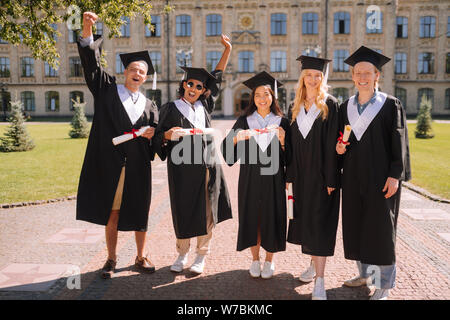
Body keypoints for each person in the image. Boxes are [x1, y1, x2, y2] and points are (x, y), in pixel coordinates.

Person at [76, 12, 159, 279]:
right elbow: (91, 66)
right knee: (112, 212)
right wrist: (88, 30)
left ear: (146, 78)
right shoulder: (107, 89)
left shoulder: (150, 105)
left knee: (140, 213)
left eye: (142, 72)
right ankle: (111, 258)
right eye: (133, 69)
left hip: (138, 166)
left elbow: (156, 139)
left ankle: (140, 256)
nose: (137, 74)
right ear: (125, 72)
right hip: (110, 163)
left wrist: (152, 135)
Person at [336, 46, 411, 300]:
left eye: (368, 72)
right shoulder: (345, 106)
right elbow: (341, 143)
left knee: (379, 231)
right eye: (358, 73)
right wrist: (338, 148)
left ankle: (382, 285)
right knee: (356, 227)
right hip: (353, 177)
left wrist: (395, 175)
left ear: (377, 75)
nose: (363, 77)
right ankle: (365, 274)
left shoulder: (390, 105)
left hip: (381, 179)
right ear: (353, 76)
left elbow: (398, 142)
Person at [153, 35, 232, 275]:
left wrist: (227, 51)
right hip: (182, 168)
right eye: (190, 84)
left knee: (208, 210)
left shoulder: (205, 106)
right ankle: (182, 252)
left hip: (208, 165)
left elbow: (216, 78)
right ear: (183, 84)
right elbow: (158, 137)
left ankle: (201, 255)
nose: (194, 89)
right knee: (184, 209)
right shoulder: (170, 108)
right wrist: (167, 135)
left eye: (199, 87)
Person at [221, 71, 290, 279]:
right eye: (258, 94)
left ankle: (269, 260)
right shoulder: (244, 120)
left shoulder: (282, 122)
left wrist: (284, 141)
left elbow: (293, 156)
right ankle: (255, 259)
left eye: (266, 94)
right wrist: (235, 139)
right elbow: (227, 149)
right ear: (253, 98)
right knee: (252, 217)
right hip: (250, 178)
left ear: (273, 97)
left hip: (274, 179)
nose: (262, 98)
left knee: (273, 216)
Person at [285, 56, 340, 300]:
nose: (313, 79)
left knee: (321, 225)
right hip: (301, 177)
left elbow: (332, 145)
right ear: (302, 77)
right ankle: (311, 265)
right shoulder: (295, 106)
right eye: (309, 74)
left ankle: (320, 280)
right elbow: (291, 147)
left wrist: (331, 179)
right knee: (308, 222)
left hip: (321, 177)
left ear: (323, 78)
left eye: (318, 75)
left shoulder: (330, 104)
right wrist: (290, 176)